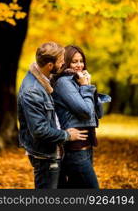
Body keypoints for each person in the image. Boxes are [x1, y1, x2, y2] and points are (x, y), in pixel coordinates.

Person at [17, 42, 87, 189]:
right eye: (61, 61)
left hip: (52, 151)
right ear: (50, 65)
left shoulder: (43, 81)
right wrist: (67, 135)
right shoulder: (33, 91)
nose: (63, 64)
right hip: (44, 155)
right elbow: (39, 130)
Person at [52, 45, 111, 189]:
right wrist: (86, 87)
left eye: (81, 61)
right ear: (66, 63)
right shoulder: (64, 83)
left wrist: (88, 85)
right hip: (75, 150)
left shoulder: (79, 81)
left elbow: (99, 114)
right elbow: (85, 111)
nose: (79, 65)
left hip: (87, 147)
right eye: (74, 61)